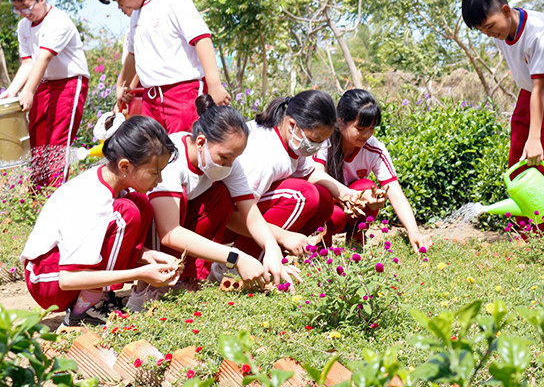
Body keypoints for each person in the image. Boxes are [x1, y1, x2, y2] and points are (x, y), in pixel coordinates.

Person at [20, 115, 180, 327]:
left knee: (139, 205)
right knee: (127, 213)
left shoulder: (115, 186)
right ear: (125, 167)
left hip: (59, 274)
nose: (159, 180)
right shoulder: (93, 199)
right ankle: (84, 310)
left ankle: (93, 300)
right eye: (154, 172)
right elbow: (67, 279)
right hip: (46, 278)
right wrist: (141, 273)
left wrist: (151, 256)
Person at [136, 95, 294, 308]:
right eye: (225, 157)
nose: (230, 164)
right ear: (201, 142)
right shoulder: (172, 159)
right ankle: (146, 291)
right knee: (176, 202)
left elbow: (250, 214)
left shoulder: (226, 163)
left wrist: (271, 248)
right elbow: (169, 232)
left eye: (235, 158)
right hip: (144, 232)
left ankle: (189, 279)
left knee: (221, 195)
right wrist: (235, 257)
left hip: (176, 225)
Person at [460, 0, 544, 221]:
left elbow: (541, 87)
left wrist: (535, 138)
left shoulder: (540, 33)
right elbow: (529, 83)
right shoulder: (501, 32)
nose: (489, 34)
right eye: (482, 31)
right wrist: (529, 137)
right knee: (518, 161)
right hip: (530, 93)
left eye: (489, 26)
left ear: (506, 10)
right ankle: (523, 233)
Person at [91, 0, 231, 133]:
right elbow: (132, 56)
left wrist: (214, 85)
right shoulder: (136, 14)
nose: (121, 7)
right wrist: (121, 86)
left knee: (188, 151)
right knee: (156, 157)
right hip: (151, 101)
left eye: (119, 1)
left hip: (183, 96)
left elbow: (201, 38)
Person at [222, 90, 357, 264]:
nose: (316, 147)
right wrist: (283, 236)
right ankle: (237, 262)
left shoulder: (293, 142)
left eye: (322, 142)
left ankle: (293, 256)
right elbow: (231, 216)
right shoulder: (264, 156)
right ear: (292, 125)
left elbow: (310, 173)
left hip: (251, 211)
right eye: (314, 139)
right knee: (303, 195)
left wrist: (347, 194)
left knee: (322, 197)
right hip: (228, 222)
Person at [314, 89, 433, 253]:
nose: (366, 135)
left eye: (371, 128)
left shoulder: (374, 148)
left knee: (368, 186)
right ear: (340, 121)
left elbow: (395, 192)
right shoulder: (324, 141)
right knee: (329, 205)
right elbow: (315, 175)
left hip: (351, 207)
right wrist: (349, 195)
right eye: (360, 128)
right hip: (328, 209)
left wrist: (414, 232)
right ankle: (319, 248)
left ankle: (356, 243)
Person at [1, 0, 89, 188]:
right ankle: (36, 197)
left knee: (57, 143)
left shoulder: (58, 21)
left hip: (68, 83)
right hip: (42, 84)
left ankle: (54, 194)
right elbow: (28, 63)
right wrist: (11, 92)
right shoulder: (23, 26)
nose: (24, 13)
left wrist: (28, 91)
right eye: (18, 9)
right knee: (37, 142)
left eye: (27, 7)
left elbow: (44, 58)